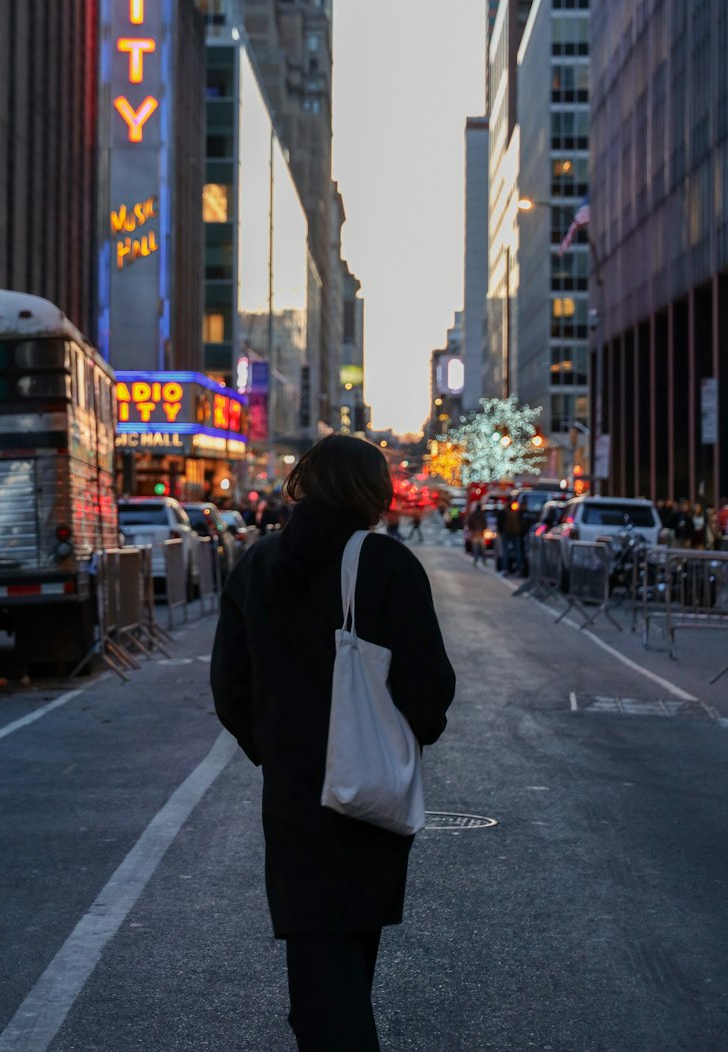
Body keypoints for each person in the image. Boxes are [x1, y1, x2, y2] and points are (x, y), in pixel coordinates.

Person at [211, 435, 455, 1052]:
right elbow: (430, 687)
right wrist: (412, 732)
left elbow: (228, 687)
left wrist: (273, 745)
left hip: (294, 797)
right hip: (368, 797)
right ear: (372, 492)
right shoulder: (389, 566)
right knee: (348, 968)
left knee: (320, 977)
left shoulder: (257, 565)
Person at [466, 501, 488, 566]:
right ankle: (484, 560)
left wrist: (471, 530)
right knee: (483, 548)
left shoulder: (473, 515)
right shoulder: (483, 515)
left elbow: (469, 523)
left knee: (475, 548)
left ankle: (476, 560)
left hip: (475, 533)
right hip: (481, 533)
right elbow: (485, 524)